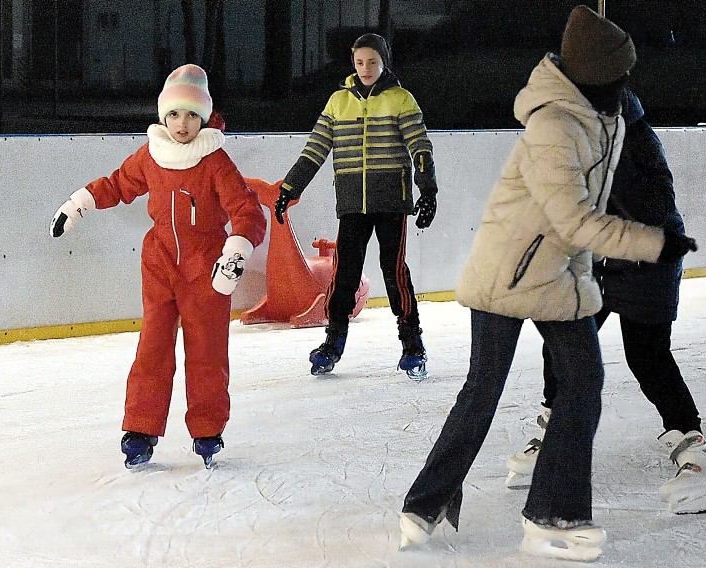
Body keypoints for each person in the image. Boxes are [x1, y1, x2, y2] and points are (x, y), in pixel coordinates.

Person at [398, 6, 698, 562]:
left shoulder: (603, 116)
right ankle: (424, 503)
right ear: (592, 76)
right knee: (483, 392)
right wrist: (656, 243)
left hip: (557, 275)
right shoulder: (555, 126)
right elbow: (576, 221)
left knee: (582, 383)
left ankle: (550, 513)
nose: (626, 85)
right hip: (507, 276)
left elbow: (588, 220)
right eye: (618, 75)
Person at [504, 87, 706, 514]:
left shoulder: (636, 137)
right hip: (604, 263)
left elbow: (653, 207)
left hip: (647, 261)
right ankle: (552, 433)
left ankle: (701, 463)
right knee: (561, 340)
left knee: (648, 358)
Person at [49, 64, 266, 469]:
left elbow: (248, 211)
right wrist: (78, 203)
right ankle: (141, 428)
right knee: (152, 346)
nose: (181, 124)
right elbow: (117, 184)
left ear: (203, 117)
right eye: (173, 114)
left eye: (190, 115)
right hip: (160, 263)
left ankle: (207, 428)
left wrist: (234, 254)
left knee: (207, 351)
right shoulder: (152, 154)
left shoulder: (215, 160)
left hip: (207, 266)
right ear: (162, 116)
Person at [273, 33, 438, 379]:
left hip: (391, 202)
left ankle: (412, 344)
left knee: (394, 271)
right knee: (344, 272)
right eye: (360, 62)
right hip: (352, 204)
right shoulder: (338, 102)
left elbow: (420, 148)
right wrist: (290, 187)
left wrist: (428, 191)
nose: (365, 69)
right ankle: (332, 344)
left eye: (372, 62)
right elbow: (315, 150)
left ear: (384, 62)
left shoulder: (401, 100)